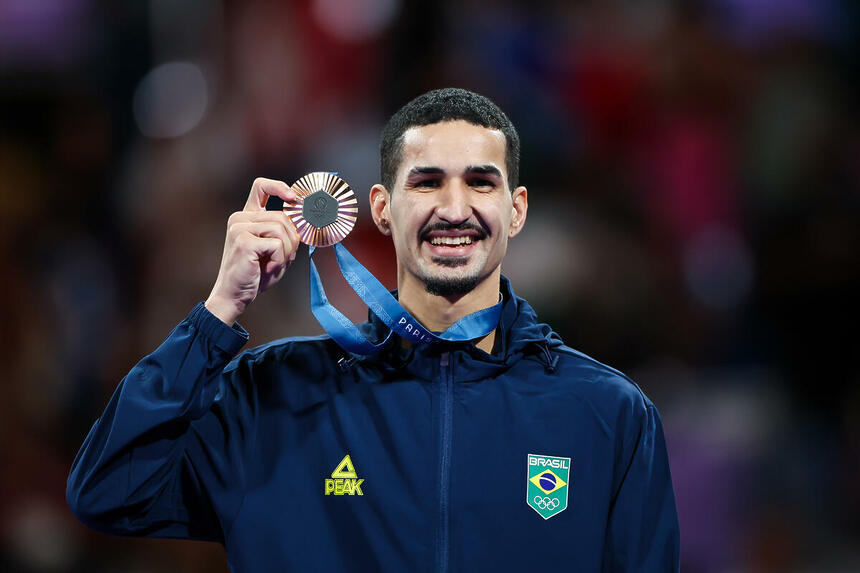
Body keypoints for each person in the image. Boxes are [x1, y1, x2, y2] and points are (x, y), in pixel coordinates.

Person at [67, 88, 680, 572]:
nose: (455, 207)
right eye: (427, 181)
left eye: (480, 182)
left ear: (515, 210)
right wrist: (218, 311)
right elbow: (107, 490)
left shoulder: (606, 415)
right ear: (383, 210)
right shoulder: (274, 398)